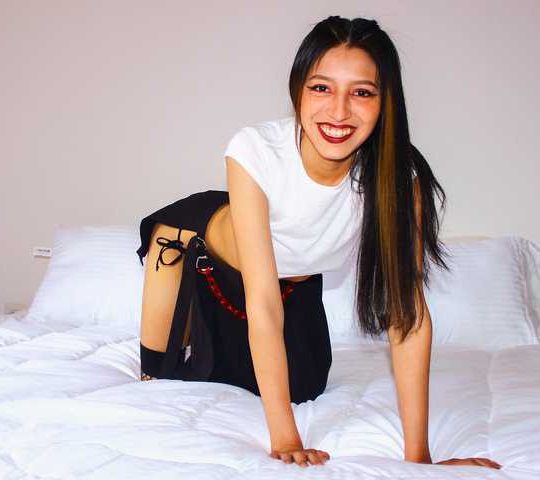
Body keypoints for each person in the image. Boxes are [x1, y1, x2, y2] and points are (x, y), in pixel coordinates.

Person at [135, 15, 502, 470]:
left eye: (362, 93)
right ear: (297, 90)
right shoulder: (256, 150)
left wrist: (419, 461)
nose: (339, 111)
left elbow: (406, 314)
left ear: (386, 101)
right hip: (195, 254)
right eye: (321, 88)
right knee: (161, 377)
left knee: (305, 386)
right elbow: (262, 301)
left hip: (292, 280)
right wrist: (285, 439)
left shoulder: (398, 179)